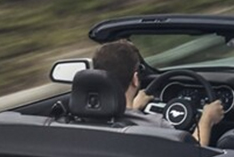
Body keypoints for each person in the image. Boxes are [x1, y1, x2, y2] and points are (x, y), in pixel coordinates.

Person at [93, 40, 225, 145]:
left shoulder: (80, 119)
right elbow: (194, 156)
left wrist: (134, 109)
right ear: (135, 79)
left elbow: (121, 120)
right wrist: (207, 120)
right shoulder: (156, 126)